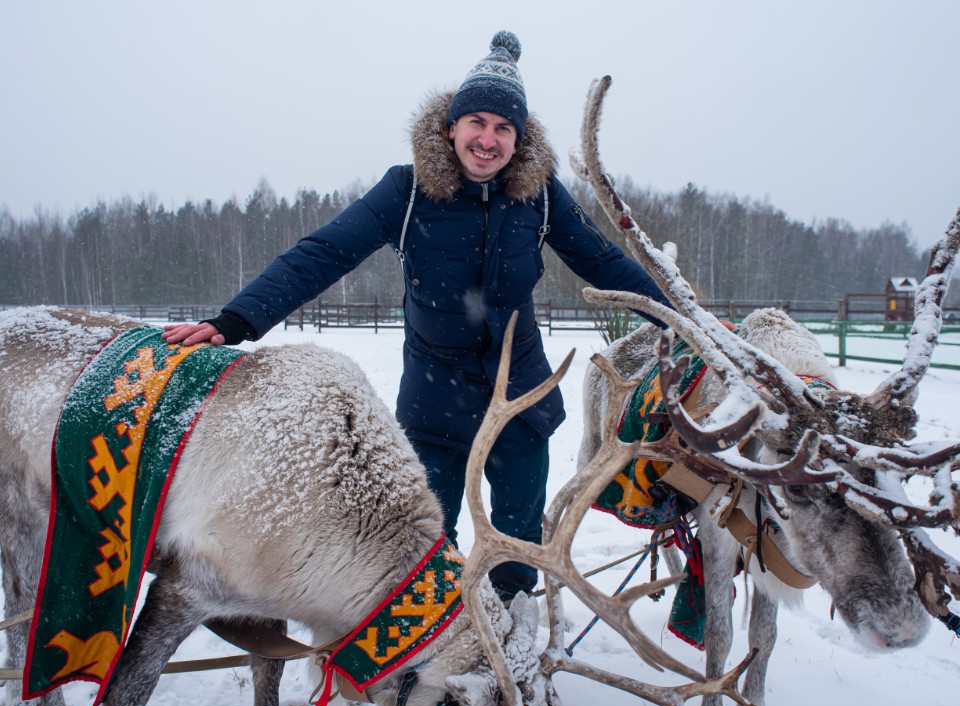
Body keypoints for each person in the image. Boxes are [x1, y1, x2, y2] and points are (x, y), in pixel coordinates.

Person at [162, 30, 672, 602]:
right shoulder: (405, 192)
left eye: (504, 128)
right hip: (436, 397)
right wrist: (236, 320)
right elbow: (324, 252)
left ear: (519, 140)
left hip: (522, 394)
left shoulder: (541, 196)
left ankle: (512, 633)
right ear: (451, 127)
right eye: (476, 122)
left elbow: (602, 261)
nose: (488, 139)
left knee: (519, 541)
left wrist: (681, 318)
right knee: (428, 542)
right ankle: (435, 646)